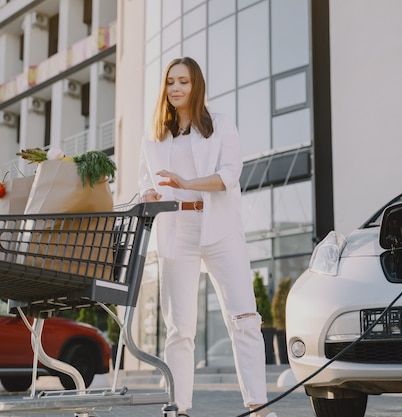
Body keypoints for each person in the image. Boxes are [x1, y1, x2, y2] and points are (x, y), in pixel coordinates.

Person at [138, 57, 276, 417]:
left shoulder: (220, 125)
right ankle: (178, 407)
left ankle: (258, 406)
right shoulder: (154, 137)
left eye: (183, 81)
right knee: (179, 327)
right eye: (170, 82)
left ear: (196, 85)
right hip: (176, 231)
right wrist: (148, 195)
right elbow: (145, 185)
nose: (176, 89)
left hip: (219, 228)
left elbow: (229, 175)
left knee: (244, 317)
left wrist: (187, 184)